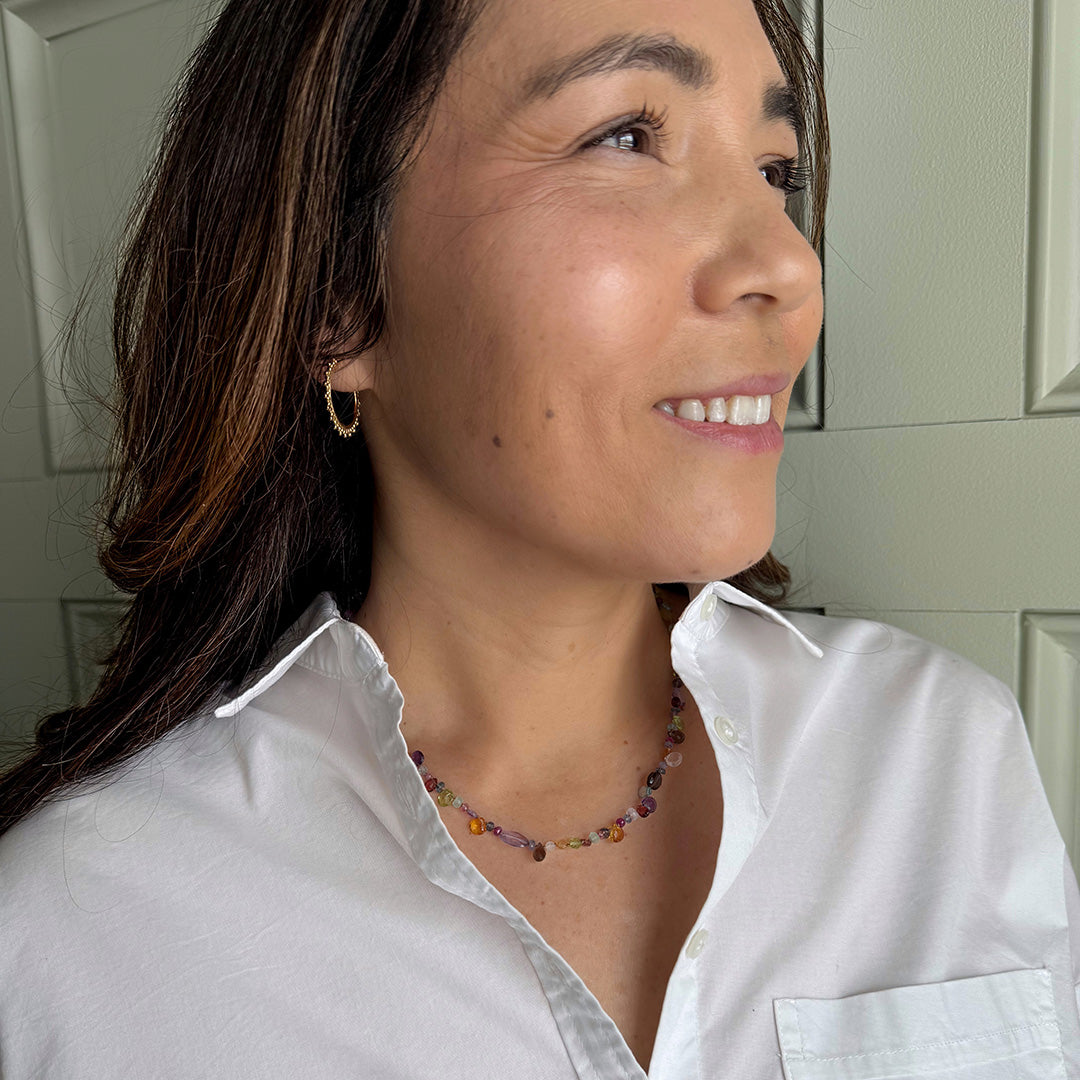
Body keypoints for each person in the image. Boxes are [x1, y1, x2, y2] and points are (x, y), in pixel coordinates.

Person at [1, 0, 1077, 1076]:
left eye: (774, 170)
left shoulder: (941, 755)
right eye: (626, 136)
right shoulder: (74, 933)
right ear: (338, 300)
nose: (790, 268)